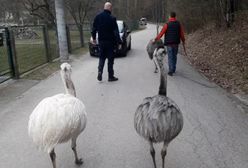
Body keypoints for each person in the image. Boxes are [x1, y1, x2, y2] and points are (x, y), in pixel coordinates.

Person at [91, 2, 121, 82]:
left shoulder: (98, 17)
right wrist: (118, 42)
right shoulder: (112, 18)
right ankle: (110, 76)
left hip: (101, 42)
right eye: (111, 8)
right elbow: (116, 32)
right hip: (110, 42)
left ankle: (100, 71)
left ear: (104, 7)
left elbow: (94, 29)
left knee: (102, 57)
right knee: (110, 59)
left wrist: (94, 38)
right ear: (110, 8)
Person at [153, 12, 185, 76]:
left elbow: (161, 33)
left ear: (170, 16)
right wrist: (183, 40)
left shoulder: (167, 24)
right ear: (175, 17)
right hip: (176, 43)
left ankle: (171, 70)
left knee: (170, 56)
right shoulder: (179, 24)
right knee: (174, 56)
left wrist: (155, 39)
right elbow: (181, 33)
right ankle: (173, 69)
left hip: (169, 44)